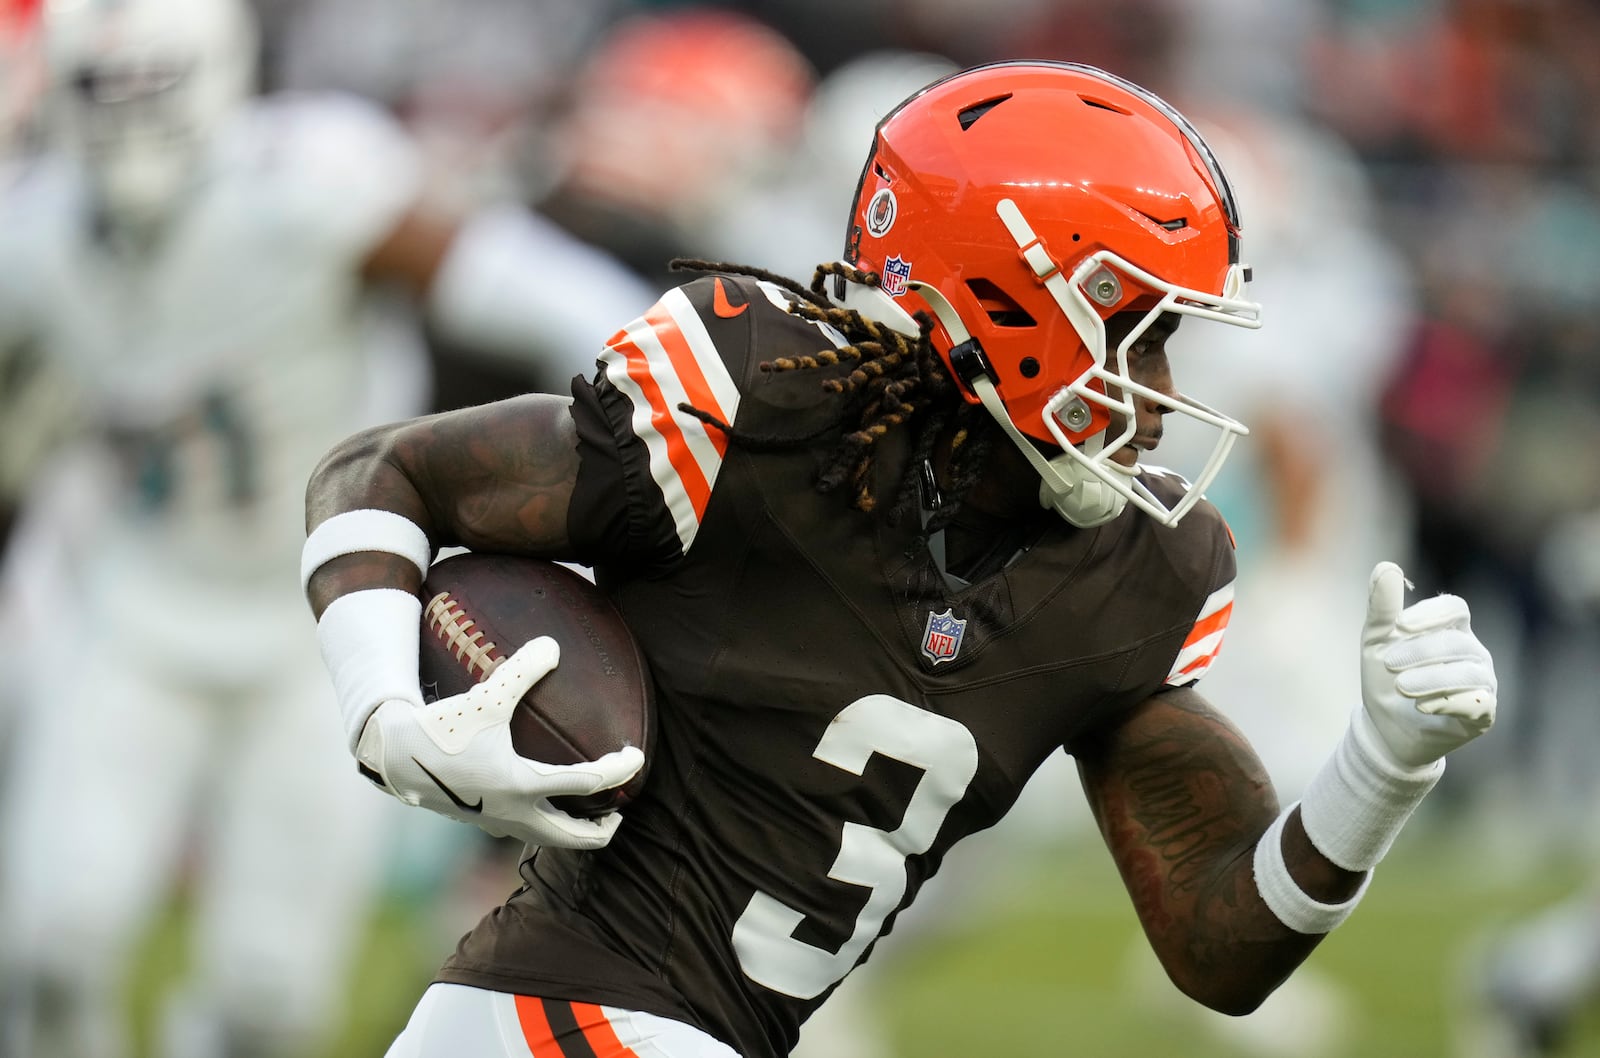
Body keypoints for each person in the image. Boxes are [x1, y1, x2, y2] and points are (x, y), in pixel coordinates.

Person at [301, 61, 1498, 1058]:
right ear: (1014, 300)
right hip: (551, 1016)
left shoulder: (1137, 570)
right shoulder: (757, 412)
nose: (1162, 394)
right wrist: (384, 712)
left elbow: (1220, 945)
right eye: (1136, 336)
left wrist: (1379, 767)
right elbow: (382, 471)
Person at [0, 0, 652, 1055]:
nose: (127, 118)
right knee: (52, 943)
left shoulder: (309, 184)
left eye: (149, 86)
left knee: (267, 994)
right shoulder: (30, 233)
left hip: (330, 613)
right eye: (100, 91)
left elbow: (533, 288)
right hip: (126, 600)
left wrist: (660, 390)